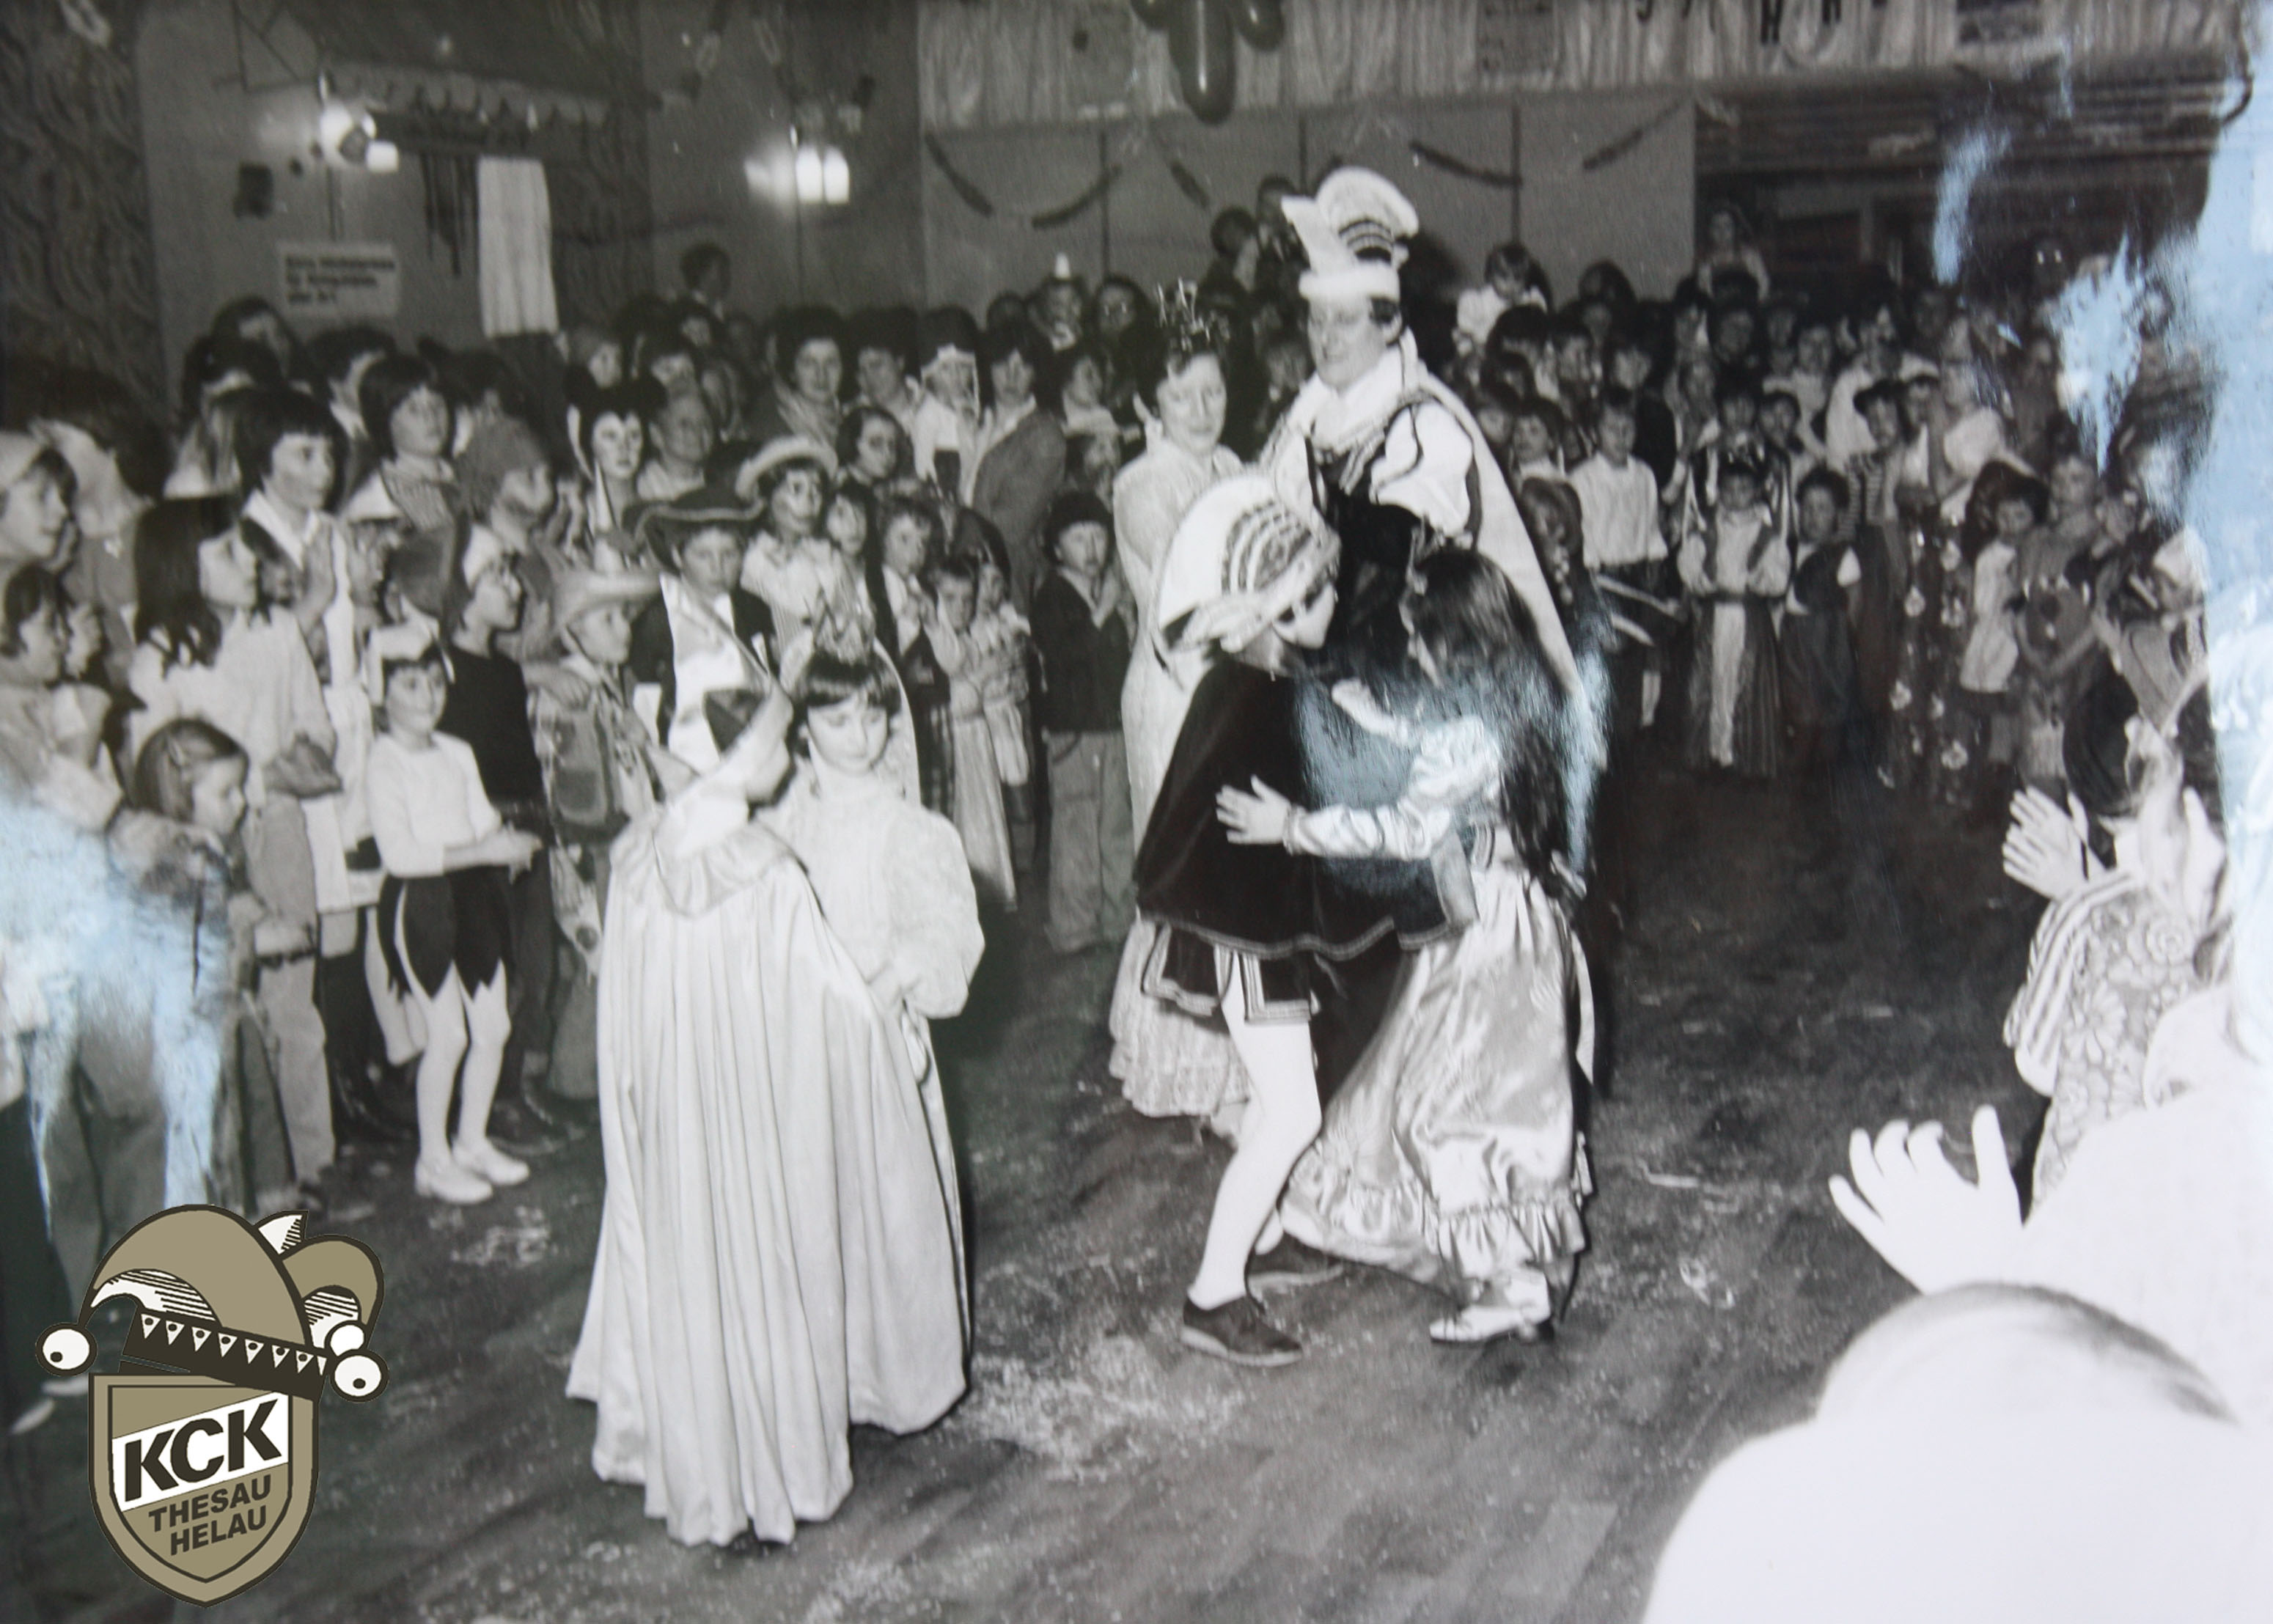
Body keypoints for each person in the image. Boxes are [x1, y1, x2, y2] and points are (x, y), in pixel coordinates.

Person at [568, 666, 966, 1548]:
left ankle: (717, 1437)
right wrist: (878, 1021)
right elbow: (827, 1003)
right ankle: (785, 1436)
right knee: (784, 1248)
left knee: (720, 1256)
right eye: (783, 736)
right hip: (778, 1090)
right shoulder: (764, 868)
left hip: (689, 1104)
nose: (792, 750)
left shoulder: (641, 855)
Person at [1230, 548, 1593, 1345]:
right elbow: (1454, 750)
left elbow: (1406, 826)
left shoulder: (1466, 732)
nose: (1415, 654)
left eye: (1421, 639)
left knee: (1449, 1105)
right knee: (1482, 1094)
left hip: (1482, 934)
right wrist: (1376, 720)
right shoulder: (1523, 693)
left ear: (1452, 642)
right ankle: (1508, 1271)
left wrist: (1291, 826)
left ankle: (1514, 1286)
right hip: (1517, 919)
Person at [1136, 475, 1431, 1368]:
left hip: (1258, 926)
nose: (1332, 602)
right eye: (1314, 592)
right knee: (1292, 1111)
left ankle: (1261, 1236)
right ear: (1275, 608)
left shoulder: (1263, 678)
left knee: (1283, 1096)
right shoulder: (1257, 695)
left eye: (1326, 586)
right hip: (1245, 937)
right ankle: (1212, 1294)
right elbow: (1337, 775)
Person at [1262, 169, 1576, 694]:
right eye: (1317, 320)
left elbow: (1407, 539)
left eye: (1345, 321)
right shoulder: (1306, 413)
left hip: (1398, 669)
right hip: (1310, 658)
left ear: (1389, 324)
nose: (1326, 339)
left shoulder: (1423, 421)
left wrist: (1320, 501)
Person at [128, 496, 339, 1197]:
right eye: (227, 552)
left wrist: (291, 765)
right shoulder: (160, 661)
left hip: (274, 827)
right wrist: (261, 773)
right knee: (229, 1013)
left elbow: (317, 730)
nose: (251, 562)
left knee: (293, 1002)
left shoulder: (276, 630)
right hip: (203, 847)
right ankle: (242, 1181)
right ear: (180, 569)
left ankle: (310, 1163)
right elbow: (160, 773)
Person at [364, 628, 544, 1205]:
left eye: (435, 684)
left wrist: (508, 843)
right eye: (410, 685)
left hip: (475, 895)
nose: (427, 696)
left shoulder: (456, 750)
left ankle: (471, 1141)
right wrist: (483, 850)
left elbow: (481, 817)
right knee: (448, 1035)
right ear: (381, 693)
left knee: (493, 1028)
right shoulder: (384, 762)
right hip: (421, 904)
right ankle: (432, 1160)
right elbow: (400, 855)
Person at [529, 566, 683, 1107]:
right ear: (573, 632)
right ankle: (572, 1084)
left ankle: (602, 1077)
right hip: (589, 846)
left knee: (618, 961)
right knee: (601, 964)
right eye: (609, 620)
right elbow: (558, 780)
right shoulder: (568, 691)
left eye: (625, 618)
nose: (625, 630)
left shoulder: (605, 686)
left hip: (616, 841)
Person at [1029, 490, 1134, 954]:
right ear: (1057, 548)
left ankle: (1118, 918)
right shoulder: (1052, 595)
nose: (1092, 549)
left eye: (1099, 537)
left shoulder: (1104, 590)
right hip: (1074, 732)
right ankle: (1074, 926)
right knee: (1077, 830)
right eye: (1079, 539)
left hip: (1111, 727)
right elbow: (1064, 654)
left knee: (1116, 827)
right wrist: (1104, 610)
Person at [627, 488, 775, 774]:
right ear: (678, 556)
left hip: (753, 747)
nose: (718, 568)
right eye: (703, 555)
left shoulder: (753, 608)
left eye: (729, 554)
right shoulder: (659, 618)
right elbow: (645, 692)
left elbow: (765, 674)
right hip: (687, 754)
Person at [1678, 449, 1788, 776]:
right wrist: (1701, 580)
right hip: (1716, 616)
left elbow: (1778, 575)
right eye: (1728, 490)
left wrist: (1760, 580)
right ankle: (1713, 750)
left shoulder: (1767, 535)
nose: (1735, 497)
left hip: (1749, 618)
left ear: (1757, 492)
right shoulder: (1709, 531)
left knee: (1746, 682)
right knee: (1713, 680)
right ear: (1719, 492)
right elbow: (1689, 563)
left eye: (1743, 490)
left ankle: (1743, 755)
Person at [927, 555, 1016, 909]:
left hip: (978, 737)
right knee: (966, 816)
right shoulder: (938, 642)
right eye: (950, 599)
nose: (961, 608)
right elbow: (956, 698)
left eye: (967, 599)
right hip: (957, 739)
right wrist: (981, 678)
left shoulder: (969, 638)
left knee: (985, 815)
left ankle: (990, 893)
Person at [971, 322, 1067, 609]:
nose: (1011, 376)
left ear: (1037, 373)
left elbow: (1009, 528)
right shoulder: (969, 418)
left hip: (1006, 574)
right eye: (1002, 364)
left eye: (1023, 366)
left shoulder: (1045, 435)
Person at [342, 354, 458, 545]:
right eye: (414, 409)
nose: (431, 417)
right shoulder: (379, 501)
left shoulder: (459, 473)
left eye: (437, 405)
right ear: (383, 420)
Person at [910, 307, 984, 496]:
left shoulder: (972, 405)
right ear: (931, 375)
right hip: (945, 484)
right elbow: (922, 463)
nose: (956, 376)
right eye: (945, 369)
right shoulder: (929, 412)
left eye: (963, 367)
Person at [749, 306, 845, 449]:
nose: (821, 374)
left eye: (831, 363)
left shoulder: (851, 419)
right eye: (809, 363)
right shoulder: (773, 428)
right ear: (792, 371)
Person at [635, 389, 714, 507]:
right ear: (657, 434)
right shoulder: (644, 488)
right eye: (685, 424)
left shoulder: (718, 481)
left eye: (705, 423)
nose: (697, 431)